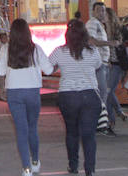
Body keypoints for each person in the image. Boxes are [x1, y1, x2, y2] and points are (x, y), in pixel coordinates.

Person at [0, 18, 54, 175]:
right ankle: (35, 161)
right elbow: (49, 70)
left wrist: (2, 89)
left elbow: (1, 72)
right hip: (33, 92)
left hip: (14, 93)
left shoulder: (5, 49)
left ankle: (26, 168)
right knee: (32, 128)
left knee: (21, 130)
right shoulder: (35, 48)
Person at [50, 19, 103, 176]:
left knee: (72, 132)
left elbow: (48, 67)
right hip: (90, 95)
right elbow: (98, 65)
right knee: (89, 134)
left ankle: (73, 166)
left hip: (68, 95)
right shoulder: (93, 50)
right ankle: (90, 169)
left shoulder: (60, 51)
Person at [86, 2, 117, 135]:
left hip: (102, 64)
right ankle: (99, 124)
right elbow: (91, 41)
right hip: (98, 65)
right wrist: (109, 43)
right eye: (99, 10)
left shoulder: (99, 25)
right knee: (102, 94)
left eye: (103, 11)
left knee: (104, 94)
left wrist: (107, 59)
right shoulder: (93, 23)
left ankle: (100, 123)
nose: (101, 13)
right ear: (93, 12)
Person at [103, 8, 128, 128]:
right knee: (107, 92)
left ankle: (117, 114)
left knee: (108, 91)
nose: (102, 16)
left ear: (110, 16)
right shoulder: (102, 29)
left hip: (117, 65)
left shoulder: (119, 29)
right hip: (107, 64)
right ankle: (112, 119)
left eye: (105, 14)